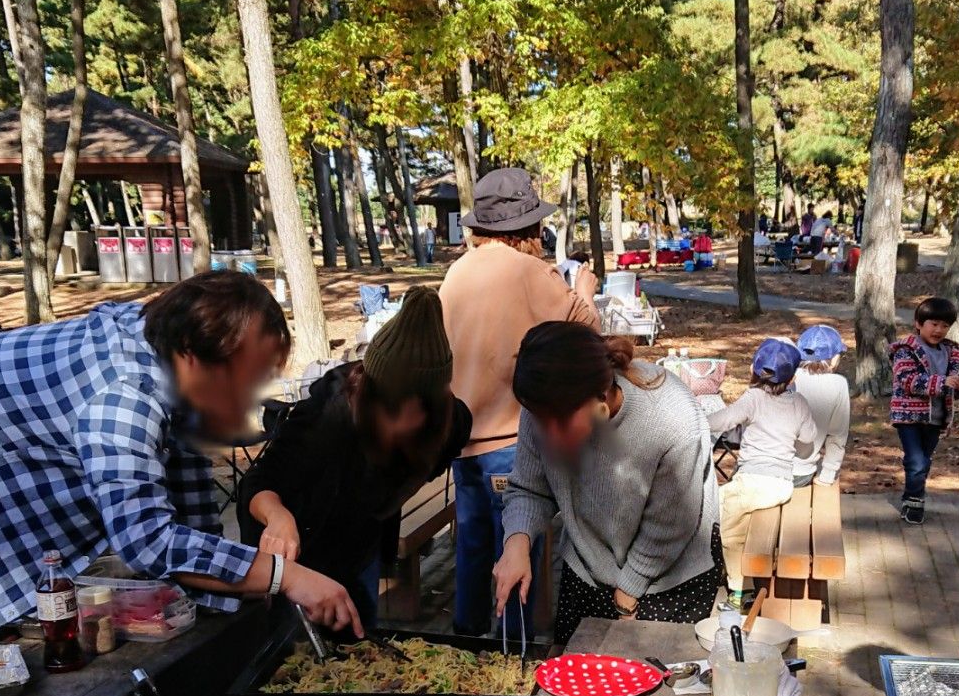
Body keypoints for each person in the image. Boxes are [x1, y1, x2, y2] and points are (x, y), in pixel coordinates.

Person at [0, 271, 361, 696]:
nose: (252, 393)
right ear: (196, 356)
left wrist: (245, 592)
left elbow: (185, 497)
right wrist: (288, 578)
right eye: (248, 376)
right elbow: (146, 540)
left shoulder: (163, 351)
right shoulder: (122, 393)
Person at [237, 288, 470, 633]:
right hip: (302, 551)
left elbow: (417, 475)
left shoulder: (453, 424)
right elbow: (258, 484)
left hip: (362, 546)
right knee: (292, 657)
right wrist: (277, 516)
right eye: (390, 404)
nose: (402, 418)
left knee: (358, 642)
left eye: (416, 408)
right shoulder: (328, 415)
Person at [440, 167, 600, 638]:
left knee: (471, 547)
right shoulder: (531, 271)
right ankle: (515, 651)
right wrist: (584, 293)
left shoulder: (456, 272)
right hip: (510, 439)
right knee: (516, 552)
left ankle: (465, 645)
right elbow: (584, 337)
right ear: (526, 228)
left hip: (460, 438)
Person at [494, 323, 719, 642]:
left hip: (668, 577)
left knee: (652, 685)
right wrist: (516, 543)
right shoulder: (544, 407)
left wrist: (628, 593)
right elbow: (530, 488)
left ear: (598, 398)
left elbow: (671, 525)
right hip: (587, 568)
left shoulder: (669, 416)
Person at [707, 340, 819, 611]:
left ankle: (736, 590)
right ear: (792, 377)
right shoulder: (799, 402)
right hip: (781, 484)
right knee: (740, 525)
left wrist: (695, 421)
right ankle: (743, 584)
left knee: (716, 510)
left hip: (752, 482)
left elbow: (724, 421)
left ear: (754, 371)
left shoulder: (754, 398)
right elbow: (809, 437)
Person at [890, 297, 959, 525]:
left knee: (923, 461)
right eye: (933, 324)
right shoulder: (906, 350)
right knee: (916, 460)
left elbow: (951, 385)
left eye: (944, 326)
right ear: (918, 323)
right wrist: (942, 382)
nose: (938, 330)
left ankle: (910, 495)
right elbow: (908, 381)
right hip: (908, 416)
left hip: (936, 417)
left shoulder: (951, 352)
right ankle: (916, 501)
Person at [791, 324, 851, 488]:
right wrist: (827, 476)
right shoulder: (839, 384)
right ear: (834, 359)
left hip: (763, 469)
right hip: (799, 473)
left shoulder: (786, 376)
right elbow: (837, 435)